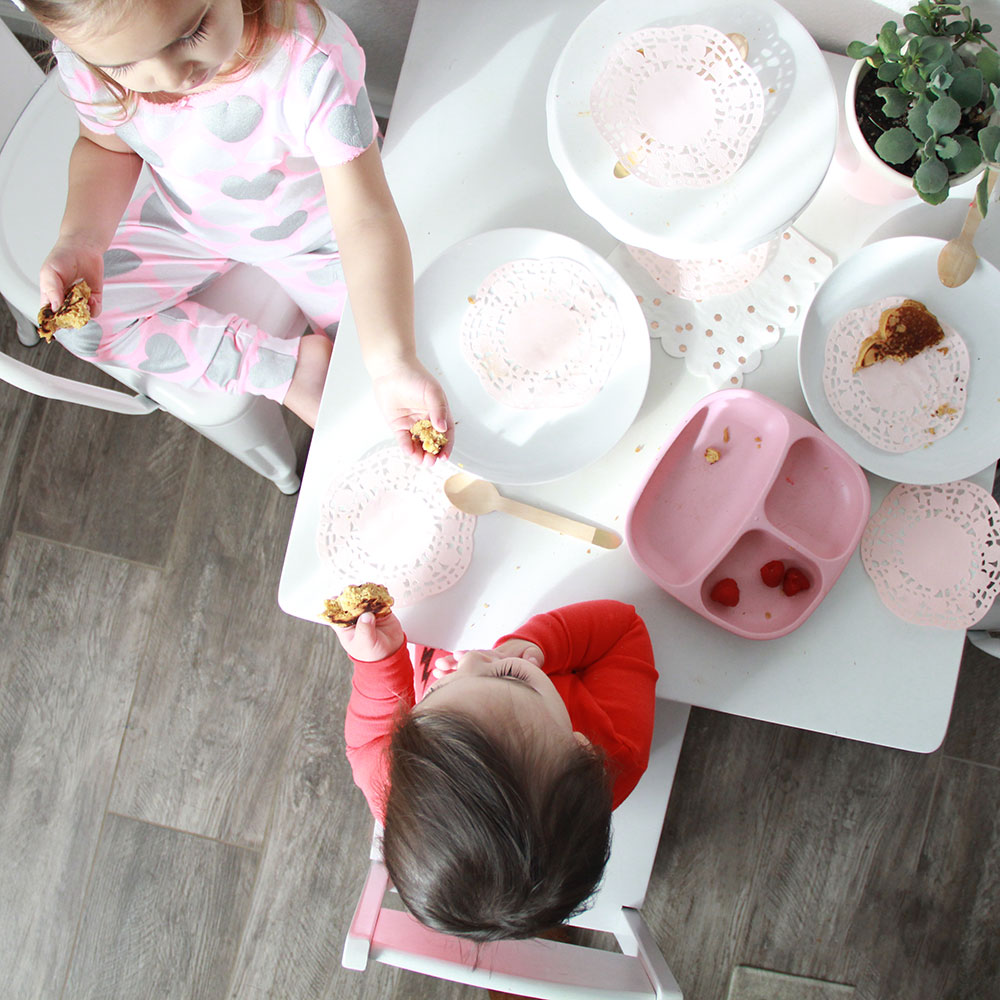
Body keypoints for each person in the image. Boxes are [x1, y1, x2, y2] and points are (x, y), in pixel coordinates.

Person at [21, 0, 450, 449]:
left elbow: (365, 217)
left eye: (191, 33)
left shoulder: (309, 59)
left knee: (387, 373)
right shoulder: (92, 61)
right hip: (189, 219)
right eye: (127, 64)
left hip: (321, 234)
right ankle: (282, 369)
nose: (170, 78)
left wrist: (389, 361)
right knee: (82, 320)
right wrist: (82, 238)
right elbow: (106, 147)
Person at [334, 599, 658, 941]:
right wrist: (535, 646)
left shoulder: (405, 790)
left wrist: (380, 663)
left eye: (436, 693)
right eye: (512, 678)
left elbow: (369, 744)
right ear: (583, 750)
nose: (471, 658)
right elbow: (622, 630)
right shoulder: (618, 749)